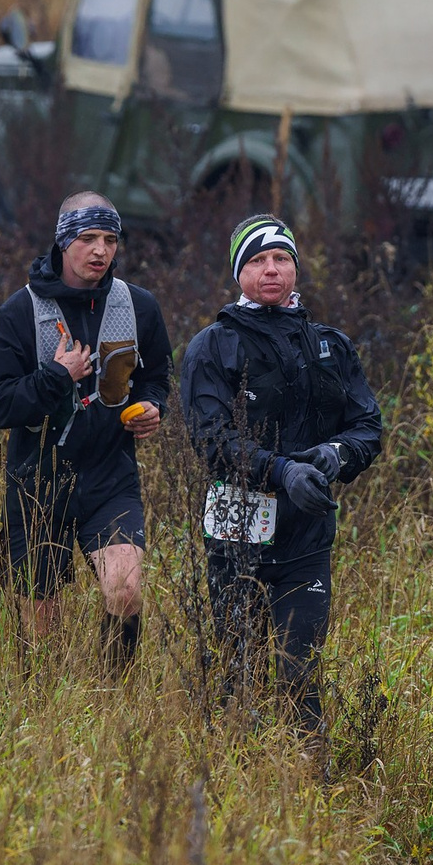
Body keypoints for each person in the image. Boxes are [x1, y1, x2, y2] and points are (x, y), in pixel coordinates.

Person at [180, 215, 384, 731]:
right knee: (236, 677)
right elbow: (212, 441)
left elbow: (368, 426)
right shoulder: (212, 346)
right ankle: (233, 783)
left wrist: (338, 454)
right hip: (236, 532)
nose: (271, 270)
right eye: (257, 260)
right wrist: (281, 470)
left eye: (282, 259)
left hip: (307, 537)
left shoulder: (331, 346)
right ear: (238, 272)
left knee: (300, 674)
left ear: (295, 268)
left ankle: (310, 788)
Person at [0, 192, 172, 672]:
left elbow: (157, 375)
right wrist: (56, 377)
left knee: (125, 592)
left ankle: (111, 694)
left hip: (110, 479)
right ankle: (46, 712)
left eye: (109, 239)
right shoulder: (18, 312)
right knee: (44, 634)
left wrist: (153, 406)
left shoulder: (139, 306)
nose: (100, 250)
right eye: (87, 239)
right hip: (38, 484)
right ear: (63, 242)